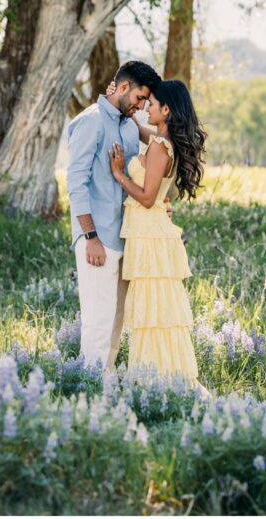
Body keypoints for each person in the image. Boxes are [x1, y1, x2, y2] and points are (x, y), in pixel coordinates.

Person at [109, 79, 207, 383]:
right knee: (155, 309)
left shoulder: (160, 148)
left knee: (152, 309)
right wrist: (119, 102)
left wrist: (119, 174)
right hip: (150, 232)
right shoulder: (163, 142)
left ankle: (156, 378)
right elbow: (141, 130)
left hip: (149, 234)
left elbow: (148, 197)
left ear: (166, 109)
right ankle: (160, 374)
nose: (146, 107)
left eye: (151, 103)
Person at [67, 60, 162, 371]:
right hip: (98, 240)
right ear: (123, 88)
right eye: (139, 99)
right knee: (98, 321)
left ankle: (104, 390)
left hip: (125, 238)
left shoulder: (127, 124)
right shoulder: (91, 122)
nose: (142, 107)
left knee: (115, 324)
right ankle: (90, 391)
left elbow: (142, 170)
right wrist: (90, 237)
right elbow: (76, 183)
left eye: (146, 102)